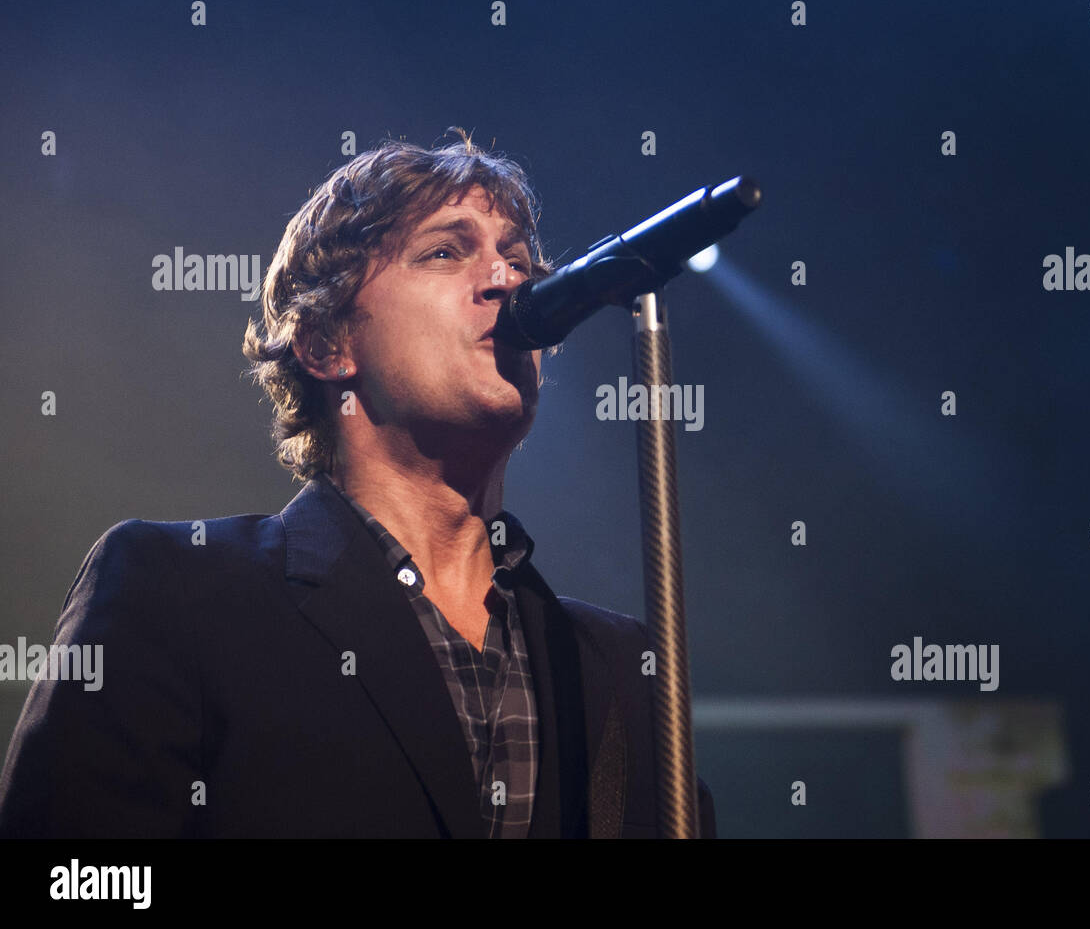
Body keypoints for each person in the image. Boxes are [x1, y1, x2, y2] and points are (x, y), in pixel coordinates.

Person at [0, 130, 716, 838]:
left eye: (518, 259)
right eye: (445, 250)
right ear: (324, 343)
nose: (504, 279)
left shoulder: (620, 666)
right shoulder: (173, 592)